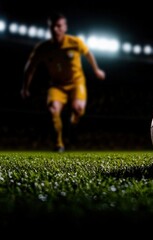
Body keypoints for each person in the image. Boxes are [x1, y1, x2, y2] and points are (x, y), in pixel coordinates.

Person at [21, 12, 106, 152]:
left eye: (59, 26)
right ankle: (58, 144)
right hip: (57, 85)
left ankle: (73, 121)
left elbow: (88, 54)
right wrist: (25, 88)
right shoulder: (43, 48)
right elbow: (30, 68)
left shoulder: (75, 42)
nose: (56, 29)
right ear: (49, 28)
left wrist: (96, 70)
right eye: (52, 26)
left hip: (76, 83)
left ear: (65, 27)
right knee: (52, 110)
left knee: (78, 109)